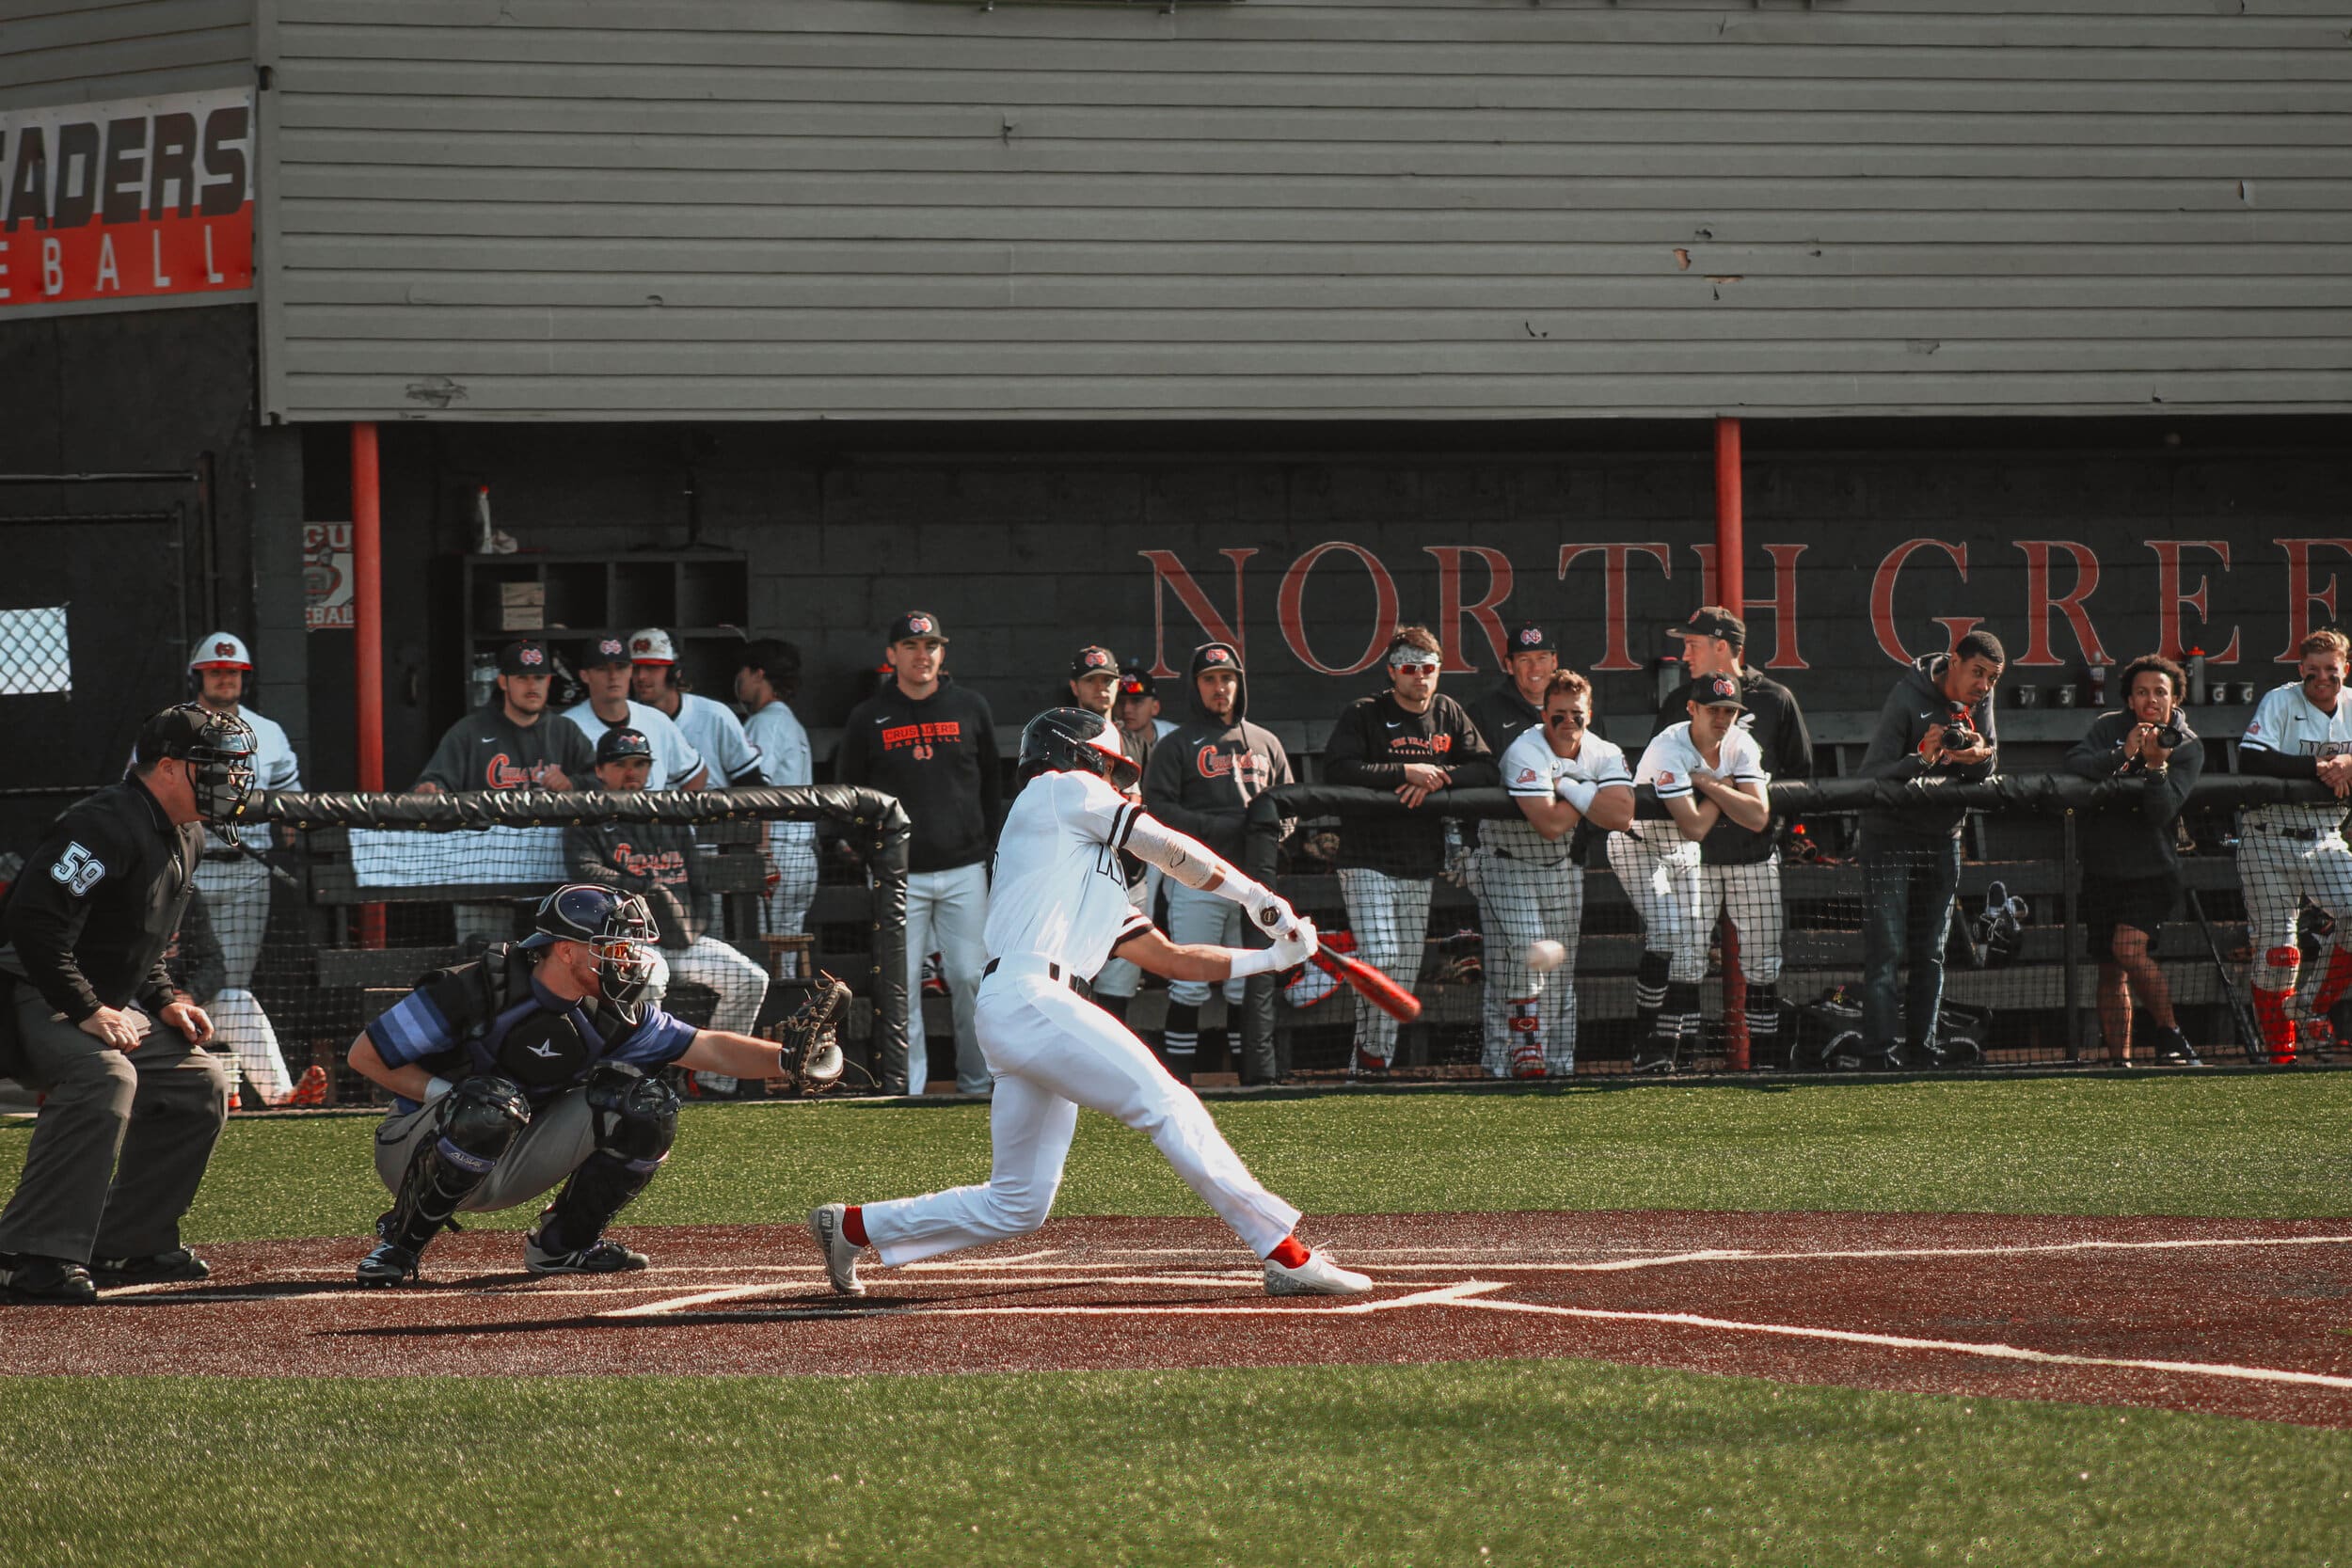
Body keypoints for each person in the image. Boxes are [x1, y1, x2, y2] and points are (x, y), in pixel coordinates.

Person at [807, 708, 1373, 1300]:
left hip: (1030, 1010)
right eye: (1113, 769)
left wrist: (1273, 959)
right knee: (1167, 1103)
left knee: (1018, 1203)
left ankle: (852, 1226)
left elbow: (1172, 959)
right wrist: (1257, 895)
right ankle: (1284, 1252)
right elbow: (1168, 848)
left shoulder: (1089, 870)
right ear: (1081, 755)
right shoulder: (1056, 789)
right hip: (1031, 996)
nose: (1123, 784)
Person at [345, 883, 802, 1285]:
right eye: (613, 947)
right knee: (490, 1106)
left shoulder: (612, 1011)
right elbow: (364, 1056)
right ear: (566, 950)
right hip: (415, 1149)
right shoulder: (476, 988)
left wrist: (789, 1060)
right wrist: (454, 1100)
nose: (627, 959)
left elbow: (709, 1048)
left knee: (649, 1104)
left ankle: (562, 1245)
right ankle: (400, 1246)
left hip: (519, 1151)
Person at [0, 705, 249, 1304]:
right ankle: (27, 1253)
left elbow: (139, 941)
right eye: (217, 767)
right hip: (26, 989)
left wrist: (163, 1000)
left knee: (200, 1080)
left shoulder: (184, 830)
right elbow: (33, 925)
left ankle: (127, 1242)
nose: (233, 782)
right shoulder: (103, 824)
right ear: (168, 768)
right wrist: (86, 1007)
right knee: (102, 1074)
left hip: (94, 998)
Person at [834, 610, 1002, 1095]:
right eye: (910, 647)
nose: (921, 655)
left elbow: (991, 784)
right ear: (891, 656)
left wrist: (988, 848)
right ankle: (907, 1088)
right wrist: (872, 854)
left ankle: (976, 1084)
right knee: (901, 985)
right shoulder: (868, 715)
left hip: (965, 867)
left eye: (930, 646)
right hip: (897, 875)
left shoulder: (970, 707)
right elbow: (849, 793)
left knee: (971, 977)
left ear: (942, 653)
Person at [1321, 626, 1497, 1076]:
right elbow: (1339, 767)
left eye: (1428, 668)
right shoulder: (1365, 713)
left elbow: (1485, 766)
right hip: (1366, 859)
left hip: (1420, 861)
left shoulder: (1448, 712)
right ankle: (1370, 1054)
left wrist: (1438, 778)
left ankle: (1372, 1060)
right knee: (1380, 957)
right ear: (1392, 671)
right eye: (1409, 668)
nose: (1420, 677)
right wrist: (1404, 771)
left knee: (1402, 973)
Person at [564, 728, 770, 1096]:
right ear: (600, 770)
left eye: (640, 764)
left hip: (680, 939)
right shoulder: (589, 817)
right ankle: (638, 1082)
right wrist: (643, 887)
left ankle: (711, 1082)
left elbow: (700, 886)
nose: (632, 773)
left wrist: (691, 927)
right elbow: (585, 871)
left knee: (750, 978)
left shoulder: (666, 816)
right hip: (626, 942)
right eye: (621, 764)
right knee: (651, 979)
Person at [1652, 607, 1815, 1068]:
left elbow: (1799, 776)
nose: (1684, 653)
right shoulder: (1680, 703)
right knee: (1684, 962)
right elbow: (1657, 775)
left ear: (1721, 647)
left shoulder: (1775, 699)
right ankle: (1674, 1062)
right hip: (1692, 857)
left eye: (1693, 644)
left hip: (1754, 855)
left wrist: (1777, 830)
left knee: (1763, 965)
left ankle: (1765, 1065)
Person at [1137, 642, 1294, 1083]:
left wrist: (1270, 834)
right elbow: (1158, 811)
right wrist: (1222, 828)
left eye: (1227, 678)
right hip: (1195, 880)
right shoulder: (1177, 745)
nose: (1220, 686)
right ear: (1196, 686)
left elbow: (1291, 804)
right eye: (1209, 679)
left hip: (1253, 883)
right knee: (1189, 982)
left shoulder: (1266, 741)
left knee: (1245, 986)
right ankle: (1178, 1086)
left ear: (1239, 684)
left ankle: (1249, 1082)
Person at [1854, 629, 2006, 1069]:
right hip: (1889, 838)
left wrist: (1980, 756)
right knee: (1886, 950)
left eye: (1993, 678)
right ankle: (1878, 1054)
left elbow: (1991, 755)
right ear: (1953, 662)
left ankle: (1923, 1049)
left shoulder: (1981, 699)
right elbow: (1872, 777)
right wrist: (1921, 757)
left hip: (1944, 837)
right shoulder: (1906, 697)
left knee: (1931, 952)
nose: (1983, 684)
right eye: (1977, 672)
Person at [1485, 669, 1635, 1077]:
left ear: (1589, 713)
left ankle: (1559, 1063)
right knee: (1523, 949)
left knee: (1559, 969)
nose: (1568, 722)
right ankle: (1515, 1054)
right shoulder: (1525, 750)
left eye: (1577, 714)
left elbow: (1621, 814)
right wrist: (1589, 792)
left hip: (1561, 865)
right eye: (1558, 714)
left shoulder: (1602, 751)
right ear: (1544, 712)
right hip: (1506, 861)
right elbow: (1547, 823)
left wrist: (1569, 786)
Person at [1616, 675, 1771, 1071]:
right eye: (1713, 709)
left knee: (1689, 956)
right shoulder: (1668, 746)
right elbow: (1696, 826)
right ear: (1692, 709)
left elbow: (1757, 816)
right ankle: (1643, 1045)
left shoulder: (1741, 743)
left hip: (1683, 852)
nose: (1722, 718)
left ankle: (1670, 1053)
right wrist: (1720, 787)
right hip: (1639, 845)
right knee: (1668, 930)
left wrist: (1708, 786)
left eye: (1730, 711)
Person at [183, 630, 304, 1104]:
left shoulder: (267, 731)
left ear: (243, 678)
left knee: (233, 980)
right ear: (200, 675)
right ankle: (211, 1083)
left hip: (247, 869)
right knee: (186, 976)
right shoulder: (174, 726)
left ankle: (228, 1088)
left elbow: (292, 800)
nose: (225, 678)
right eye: (216, 671)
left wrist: (286, 837)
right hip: (188, 868)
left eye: (232, 672)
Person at [2065, 655, 2203, 1067]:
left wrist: (2156, 766)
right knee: (2109, 968)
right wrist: (2120, 753)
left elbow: (2162, 811)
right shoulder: (2107, 726)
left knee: (2128, 949)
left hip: (2153, 871)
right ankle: (2119, 1063)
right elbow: (2073, 764)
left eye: (2160, 692)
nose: (2151, 700)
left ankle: (2170, 1032)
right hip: (2102, 869)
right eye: (2142, 692)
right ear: (2129, 698)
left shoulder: (2189, 746)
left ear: (2175, 697)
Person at [416, 638, 597, 948]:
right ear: (503, 681)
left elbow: (602, 783)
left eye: (539, 678)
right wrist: (431, 790)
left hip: (551, 878)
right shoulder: (470, 731)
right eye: (522, 678)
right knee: (483, 965)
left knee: (549, 967)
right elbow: (434, 783)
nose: (532, 686)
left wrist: (573, 784)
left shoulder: (565, 732)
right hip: (483, 877)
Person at [2233, 628, 2352, 1064]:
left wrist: (2351, 762)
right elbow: (2252, 758)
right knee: (2279, 951)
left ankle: (2309, 1008)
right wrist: (2319, 767)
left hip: (2325, 838)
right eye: (2313, 671)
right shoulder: (2281, 700)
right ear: (2301, 669)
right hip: (2268, 837)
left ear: (2345, 669)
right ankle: (2281, 1055)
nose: (2322, 679)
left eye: (2332, 671)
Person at [736, 639, 818, 944]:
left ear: (758, 673)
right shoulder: (792, 723)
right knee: (787, 952)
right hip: (803, 855)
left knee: (763, 948)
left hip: (777, 852)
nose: (740, 680)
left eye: (743, 672)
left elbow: (760, 794)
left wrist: (762, 855)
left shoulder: (764, 723)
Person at [561, 635, 707, 791]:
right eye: (602, 669)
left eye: (620, 667)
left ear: (630, 671)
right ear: (585, 675)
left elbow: (696, 773)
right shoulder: (566, 727)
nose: (613, 676)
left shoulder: (656, 721)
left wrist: (677, 814)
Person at [629, 628, 766, 787]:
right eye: (635, 668)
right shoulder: (628, 718)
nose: (641, 677)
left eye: (652, 668)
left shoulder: (715, 716)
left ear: (675, 672)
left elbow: (752, 785)